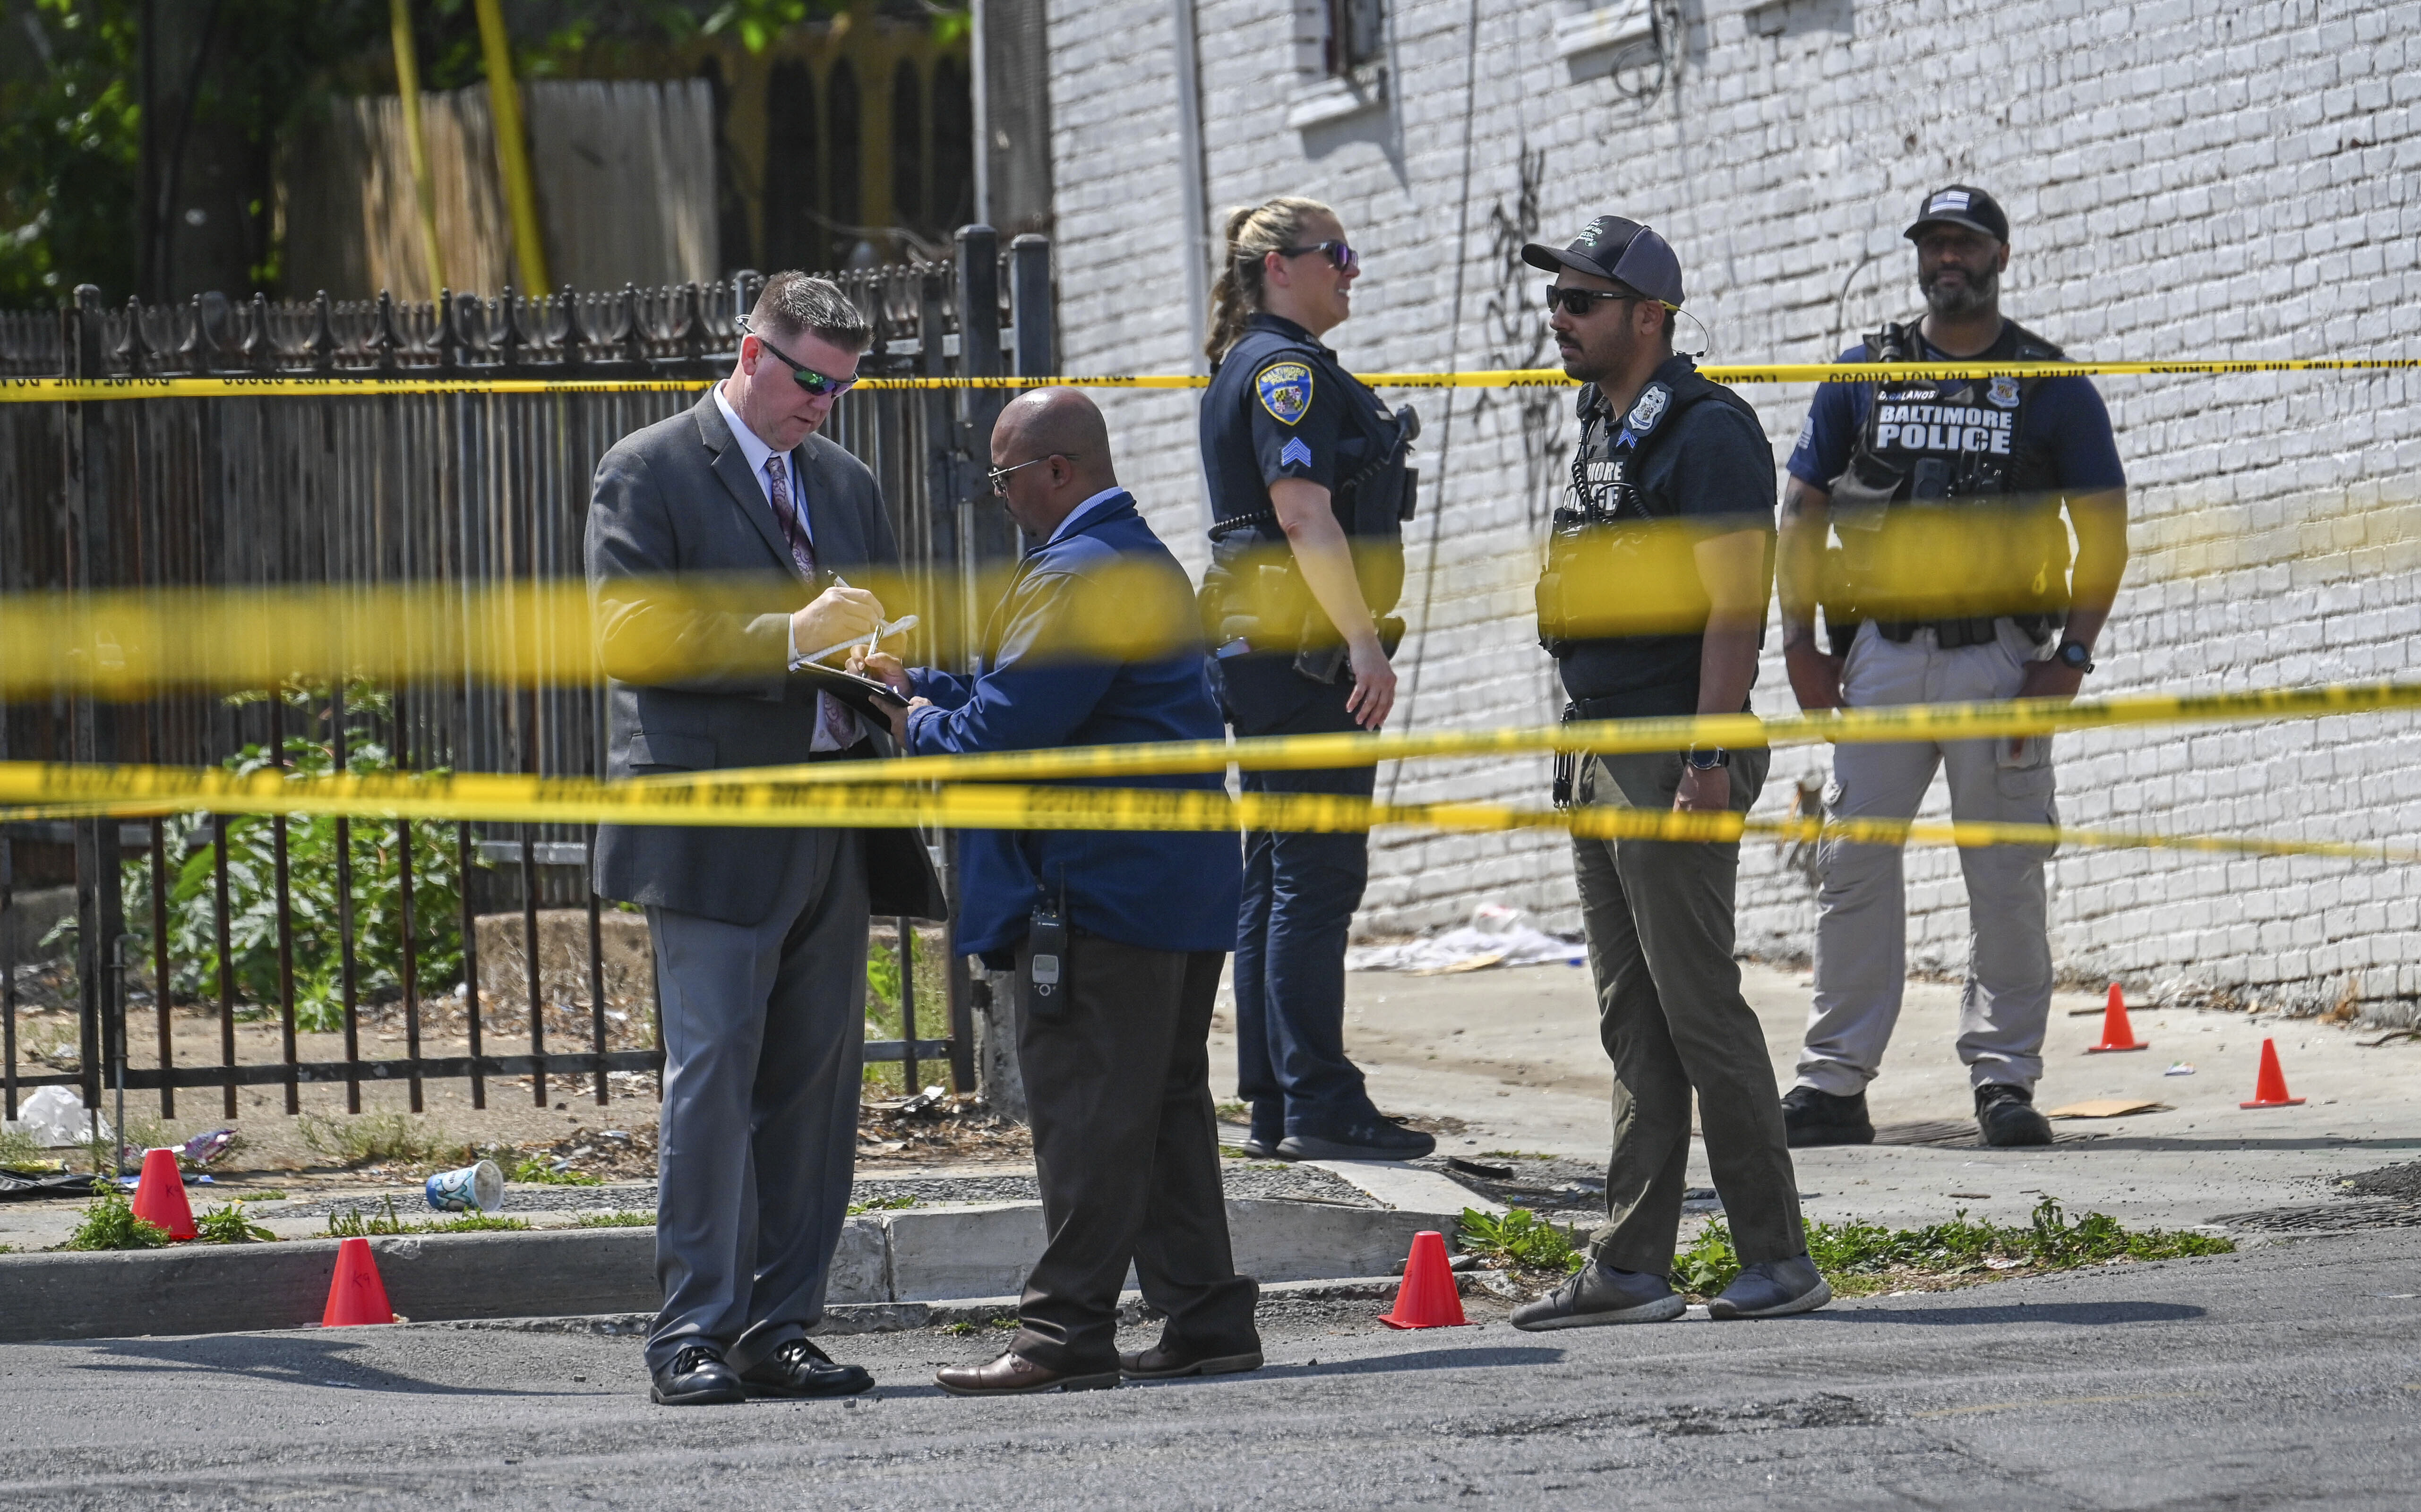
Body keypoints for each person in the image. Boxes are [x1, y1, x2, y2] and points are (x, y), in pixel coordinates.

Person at [587, 271, 945, 1406]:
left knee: (816, 1089)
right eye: (809, 382)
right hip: (716, 821)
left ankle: (781, 1325)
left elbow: (870, 618)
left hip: (835, 813)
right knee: (712, 1081)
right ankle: (690, 1329)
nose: (823, 408)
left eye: (842, 390)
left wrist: (887, 665)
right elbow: (630, 636)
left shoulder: (846, 481)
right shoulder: (648, 466)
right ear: (753, 352)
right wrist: (786, 634)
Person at [858, 387, 1260, 1396]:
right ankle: (1206, 1316)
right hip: (1166, 884)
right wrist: (931, 686)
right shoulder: (1130, 558)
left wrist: (910, 722)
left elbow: (1008, 735)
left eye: (1004, 476)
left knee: (1087, 1111)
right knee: (1161, 1106)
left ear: (1059, 470)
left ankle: (1063, 1333)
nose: (999, 496)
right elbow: (1043, 702)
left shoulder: (1078, 571)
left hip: (1095, 891)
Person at [1510, 215, 1829, 1329]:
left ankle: (1778, 1257)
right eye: (1561, 299)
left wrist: (1703, 752)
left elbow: (1736, 607)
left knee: (1700, 1009)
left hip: (1670, 751)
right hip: (1599, 745)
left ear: (1650, 316)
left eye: (1584, 301)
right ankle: (1634, 1263)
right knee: (1632, 1015)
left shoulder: (1707, 431)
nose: (1563, 317)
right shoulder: (1606, 424)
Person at [1776, 185, 2129, 1149]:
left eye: (1964, 243)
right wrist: (1799, 643)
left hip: (2002, 662)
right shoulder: (1866, 373)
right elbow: (1803, 508)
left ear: (1999, 256)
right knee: (1853, 865)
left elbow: (2104, 528)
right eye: (1933, 243)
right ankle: (1834, 1082)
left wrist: (2073, 659)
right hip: (1881, 656)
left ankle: (2005, 1081)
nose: (1947, 259)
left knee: (2006, 872)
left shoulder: (2049, 383)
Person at [1195, 195, 1430, 1162]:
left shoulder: (1261, 364)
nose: (1353, 269)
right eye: (1338, 252)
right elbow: (1303, 516)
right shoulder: (1286, 372)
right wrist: (1363, 643)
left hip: (1270, 654)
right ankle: (1317, 1098)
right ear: (1280, 266)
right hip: (1302, 659)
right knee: (1315, 878)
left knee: (1277, 876)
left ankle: (1277, 1101)